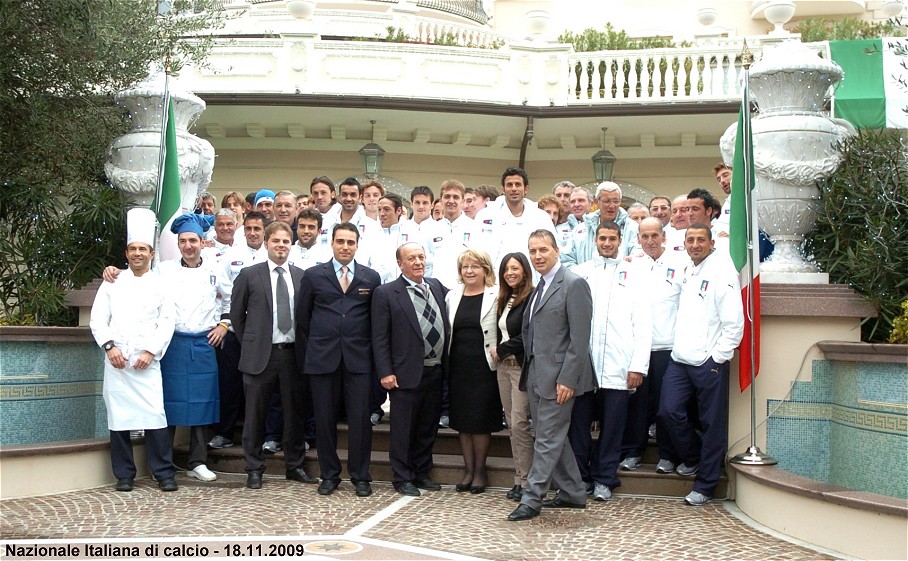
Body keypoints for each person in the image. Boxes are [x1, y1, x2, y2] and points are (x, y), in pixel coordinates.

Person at [507, 230, 595, 522]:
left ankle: (532, 499)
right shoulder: (539, 287)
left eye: (543, 249)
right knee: (553, 436)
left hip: (560, 378)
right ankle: (572, 492)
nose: (537, 256)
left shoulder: (574, 284)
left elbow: (579, 339)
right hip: (536, 375)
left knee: (546, 438)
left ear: (557, 250)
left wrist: (568, 379)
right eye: (532, 251)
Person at [90, 208, 178, 493]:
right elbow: (98, 319)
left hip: (146, 363)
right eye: (132, 249)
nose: (137, 253)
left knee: (155, 417)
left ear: (151, 253)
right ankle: (124, 475)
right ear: (126, 254)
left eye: (142, 249)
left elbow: (167, 321)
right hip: (117, 363)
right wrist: (109, 347)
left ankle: (163, 473)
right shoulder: (112, 282)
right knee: (119, 420)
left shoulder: (161, 284)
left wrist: (151, 351)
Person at [659, 223, 744, 507]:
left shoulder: (722, 273)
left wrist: (717, 358)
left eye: (700, 240)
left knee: (712, 424)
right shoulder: (687, 270)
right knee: (668, 411)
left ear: (711, 243)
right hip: (680, 360)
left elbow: (734, 323)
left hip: (709, 363)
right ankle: (693, 457)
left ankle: (706, 484)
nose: (695, 245)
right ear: (684, 244)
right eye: (690, 240)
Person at [297, 222, 381, 497]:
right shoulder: (313, 276)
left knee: (360, 421)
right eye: (341, 241)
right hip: (322, 359)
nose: (345, 247)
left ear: (357, 245)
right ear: (331, 243)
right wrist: (310, 357)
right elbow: (303, 320)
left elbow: (375, 322)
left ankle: (361, 476)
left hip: (359, 360)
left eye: (350, 242)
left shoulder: (371, 278)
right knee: (324, 419)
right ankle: (329, 474)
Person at [230, 221, 317, 489]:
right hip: (260, 356)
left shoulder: (302, 276)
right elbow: (237, 316)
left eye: (286, 241)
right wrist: (253, 343)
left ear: (292, 245)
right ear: (266, 243)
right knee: (255, 415)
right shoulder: (249, 275)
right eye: (276, 241)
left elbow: (307, 316)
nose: (281, 246)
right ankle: (254, 468)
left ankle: (295, 465)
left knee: (294, 415)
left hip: (292, 355)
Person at [570, 221, 651, 502]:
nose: (607, 243)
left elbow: (643, 323)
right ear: (595, 240)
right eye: (602, 238)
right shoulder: (580, 273)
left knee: (613, 427)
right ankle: (581, 478)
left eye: (612, 239)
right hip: (584, 367)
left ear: (620, 241)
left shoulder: (634, 275)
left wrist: (638, 365)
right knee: (578, 426)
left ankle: (604, 478)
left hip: (619, 365)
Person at [371, 242, 450, 496]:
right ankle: (402, 477)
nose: (418, 262)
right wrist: (385, 371)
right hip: (404, 373)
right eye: (411, 258)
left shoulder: (436, 287)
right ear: (400, 263)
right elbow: (379, 337)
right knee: (403, 429)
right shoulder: (386, 293)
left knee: (428, 426)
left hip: (436, 370)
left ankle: (421, 472)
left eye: (421, 257)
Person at [624, 218, 686, 475]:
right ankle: (632, 452)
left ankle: (668, 455)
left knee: (664, 405)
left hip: (667, 348)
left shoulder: (680, 264)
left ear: (664, 237)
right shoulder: (631, 266)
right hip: (637, 348)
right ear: (638, 238)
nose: (650, 241)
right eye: (645, 236)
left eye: (654, 236)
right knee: (636, 404)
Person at [445, 249, 500, 494]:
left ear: (485, 270)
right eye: (465, 267)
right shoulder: (453, 295)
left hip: (484, 367)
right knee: (462, 421)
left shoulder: (496, 294)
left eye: (475, 266)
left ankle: (480, 471)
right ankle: (467, 470)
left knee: (479, 420)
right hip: (458, 367)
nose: (469, 271)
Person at [488, 252, 534, 503]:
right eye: (506, 269)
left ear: (525, 270)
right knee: (511, 424)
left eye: (515, 268)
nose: (510, 273)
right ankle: (519, 478)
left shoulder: (532, 296)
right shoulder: (505, 298)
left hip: (520, 367)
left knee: (519, 424)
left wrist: (503, 349)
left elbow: (528, 335)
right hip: (503, 368)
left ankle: (527, 481)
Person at [475, 167, 556, 274]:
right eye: (509, 185)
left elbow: (553, 252)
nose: (513, 189)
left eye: (518, 184)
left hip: (532, 280)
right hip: (495, 279)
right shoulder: (485, 215)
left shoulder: (541, 217)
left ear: (526, 189)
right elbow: (475, 251)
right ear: (503, 189)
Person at [562, 181, 640, 267]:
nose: (612, 206)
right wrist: (580, 274)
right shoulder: (580, 230)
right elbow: (567, 260)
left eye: (616, 201)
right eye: (607, 201)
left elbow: (638, 257)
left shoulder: (633, 228)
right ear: (597, 202)